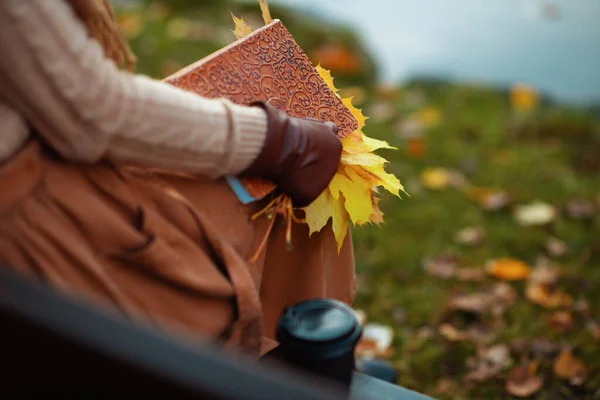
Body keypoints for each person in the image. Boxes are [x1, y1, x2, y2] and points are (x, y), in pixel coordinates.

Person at [0, 0, 355, 356]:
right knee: (283, 195)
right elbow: (88, 110)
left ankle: (313, 348)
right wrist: (278, 142)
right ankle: (300, 361)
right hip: (26, 216)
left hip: (44, 161)